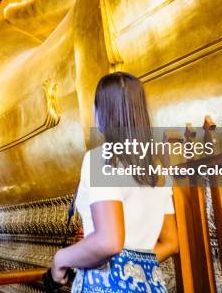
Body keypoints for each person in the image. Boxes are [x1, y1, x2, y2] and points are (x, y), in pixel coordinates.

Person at [51, 72, 179, 292]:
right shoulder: (159, 170)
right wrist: (133, 268)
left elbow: (109, 241)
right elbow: (171, 241)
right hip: (151, 285)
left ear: (105, 111)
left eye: (96, 104)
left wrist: (60, 259)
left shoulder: (101, 158)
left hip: (104, 284)